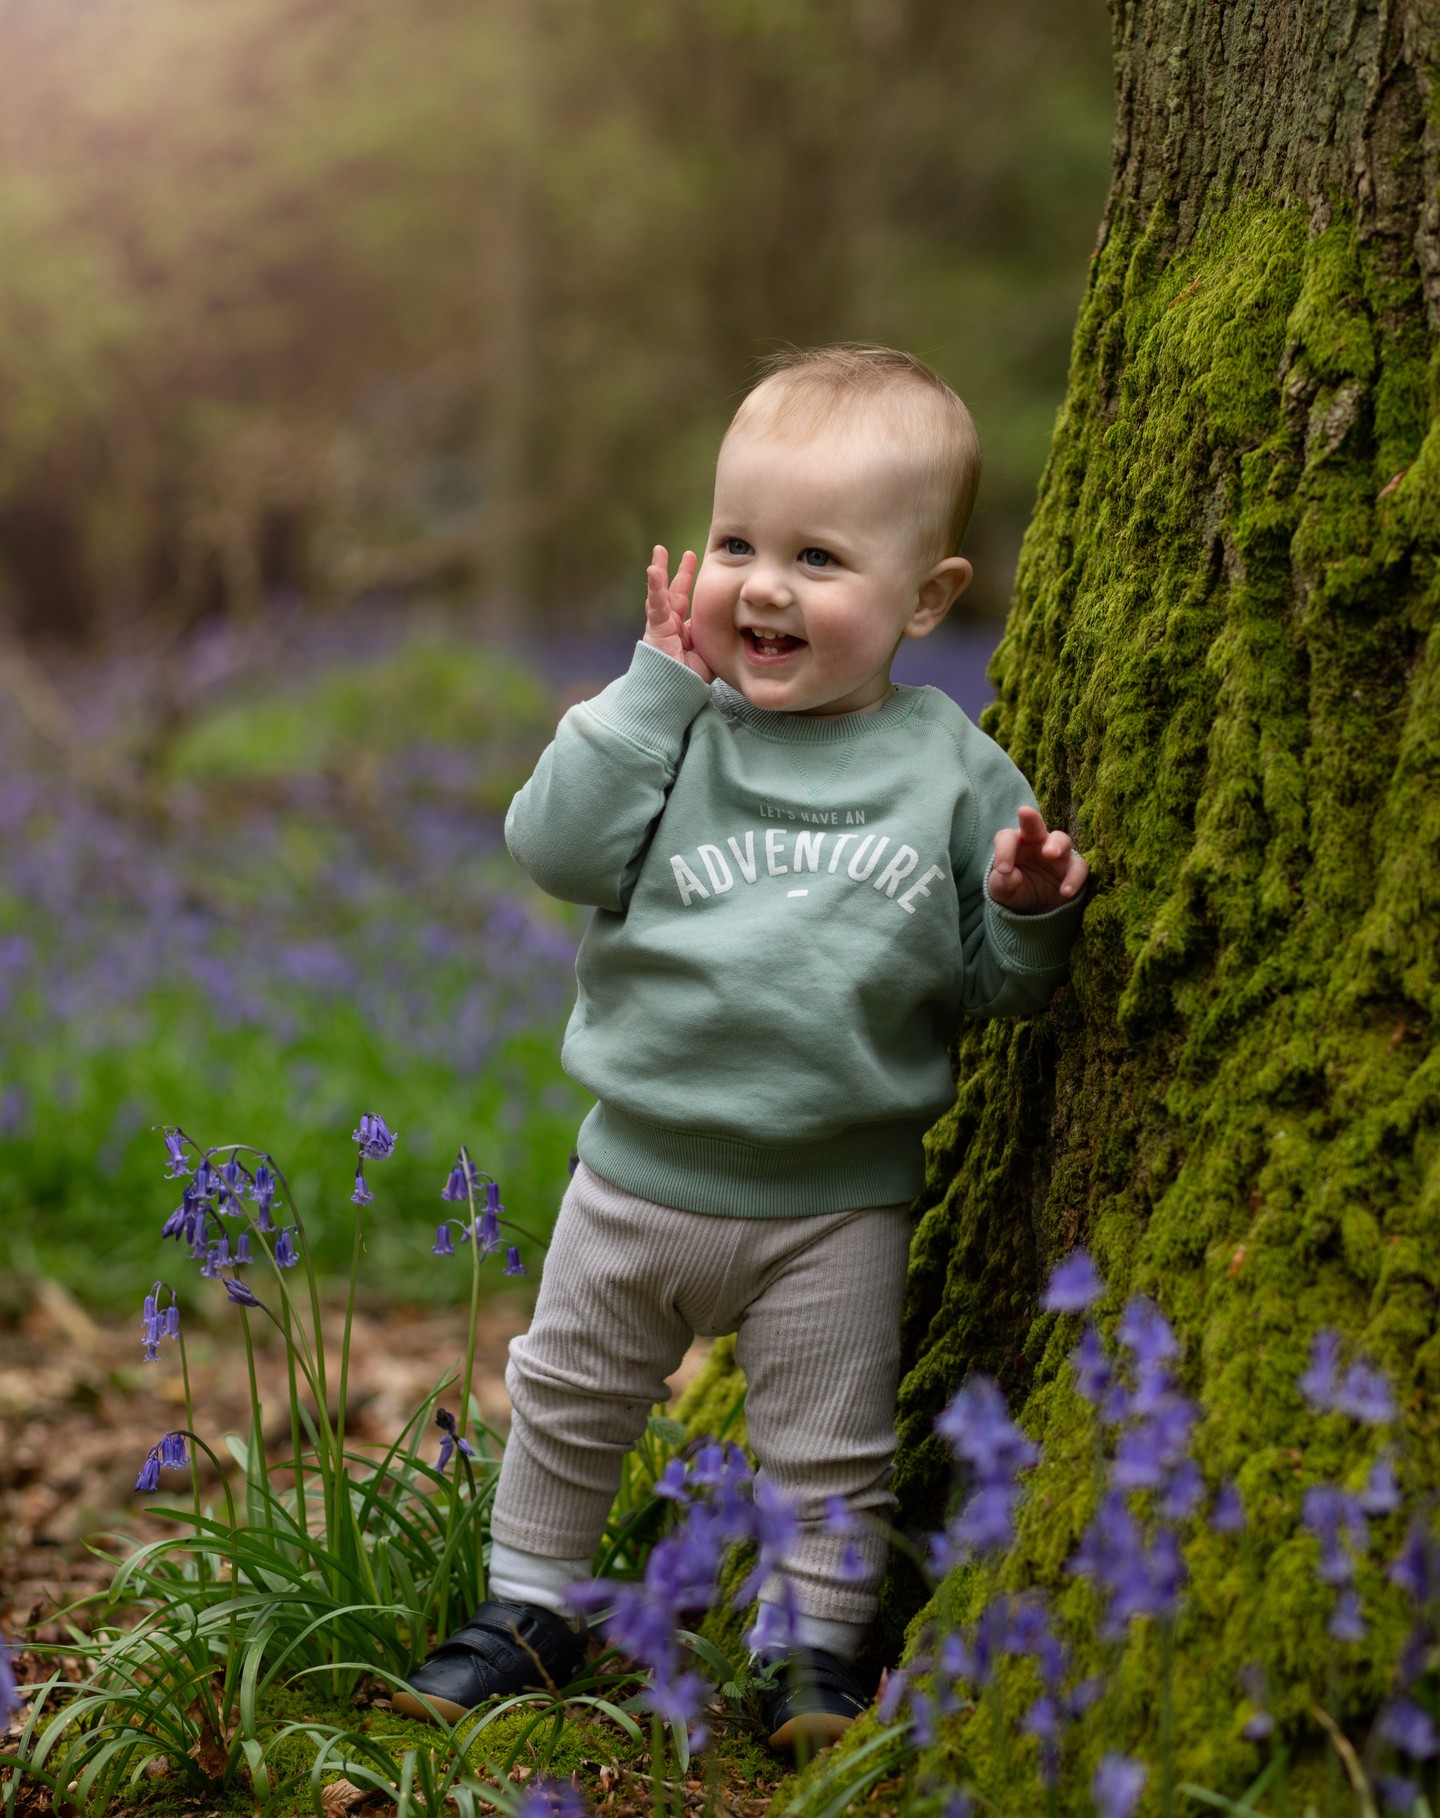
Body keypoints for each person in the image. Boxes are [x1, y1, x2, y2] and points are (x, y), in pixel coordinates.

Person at [394, 345, 1091, 1752]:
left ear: (928, 599)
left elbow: (995, 987)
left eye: (818, 557)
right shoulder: (674, 733)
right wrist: (649, 689)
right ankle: (530, 1602)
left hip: (836, 1200)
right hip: (636, 1173)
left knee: (829, 1446)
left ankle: (813, 1648)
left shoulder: (952, 766)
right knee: (569, 1394)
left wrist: (1026, 912)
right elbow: (554, 846)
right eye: (735, 542)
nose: (761, 584)